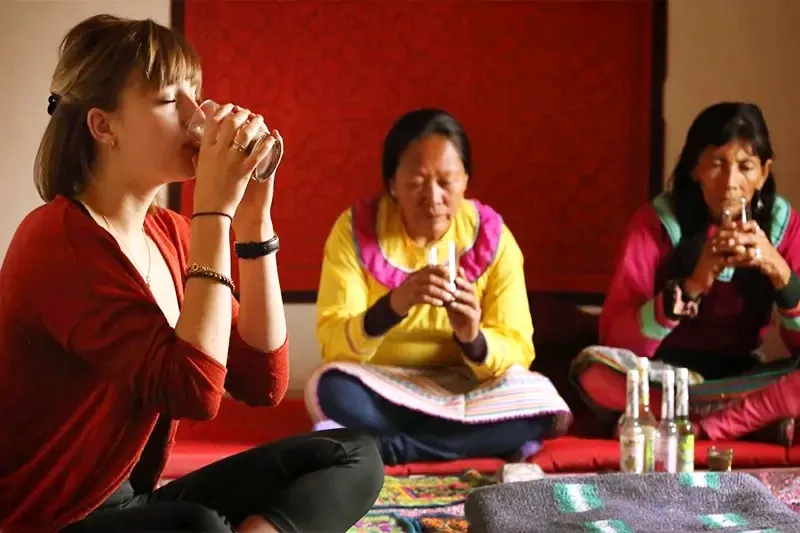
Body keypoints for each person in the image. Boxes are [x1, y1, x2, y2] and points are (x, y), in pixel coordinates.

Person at [0, 14, 382, 533]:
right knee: (197, 526)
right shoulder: (57, 240)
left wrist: (253, 219)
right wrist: (213, 214)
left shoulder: (172, 233)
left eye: (195, 94)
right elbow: (195, 393)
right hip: (54, 517)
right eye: (166, 100)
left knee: (353, 453)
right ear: (103, 126)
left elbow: (263, 379)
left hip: (136, 501)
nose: (195, 114)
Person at [305, 108, 571, 466]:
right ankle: (466, 442)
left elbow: (519, 348)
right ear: (392, 185)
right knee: (331, 388)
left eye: (446, 182)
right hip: (382, 386)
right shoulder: (355, 232)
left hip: (468, 387)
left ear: (465, 181)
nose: (432, 198)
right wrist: (392, 306)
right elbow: (333, 344)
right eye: (416, 182)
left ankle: (392, 448)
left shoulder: (492, 238)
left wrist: (472, 338)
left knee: (543, 405)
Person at [571, 102, 800, 443]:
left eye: (745, 167)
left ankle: (690, 423)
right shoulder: (656, 223)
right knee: (593, 370)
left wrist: (780, 272)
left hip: (741, 374)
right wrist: (693, 285)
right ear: (695, 168)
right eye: (717, 164)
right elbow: (616, 339)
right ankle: (751, 419)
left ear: (763, 173)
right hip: (667, 374)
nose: (730, 183)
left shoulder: (784, 226)